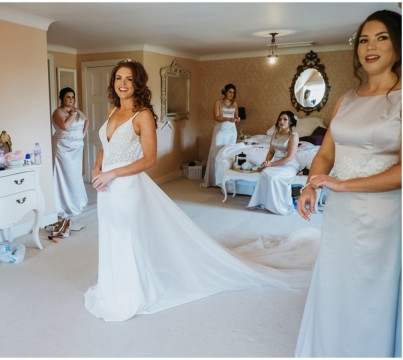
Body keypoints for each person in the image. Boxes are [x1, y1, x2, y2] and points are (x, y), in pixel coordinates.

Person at [84, 59, 317, 322]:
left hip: (125, 186)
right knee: (111, 234)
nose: (122, 84)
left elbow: (149, 159)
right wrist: (96, 168)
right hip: (105, 187)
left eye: (128, 79)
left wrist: (113, 173)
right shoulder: (111, 111)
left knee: (127, 237)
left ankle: (130, 293)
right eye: (118, 78)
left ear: (137, 83)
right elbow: (106, 145)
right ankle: (112, 285)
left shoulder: (143, 115)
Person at [294, 9, 402, 357]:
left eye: (381, 37)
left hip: (381, 213)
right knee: (337, 282)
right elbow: (325, 155)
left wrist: (345, 186)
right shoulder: (346, 98)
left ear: (398, 45)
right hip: (340, 210)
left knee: (371, 288)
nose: (370, 47)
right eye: (364, 40)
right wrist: (311, 185)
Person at [48, 87, 89, 237]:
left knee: (75, 176)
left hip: (76, 148)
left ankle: (74, 204)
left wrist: (81, 136)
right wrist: (72, 114)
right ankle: (63, 207)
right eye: (68, 97)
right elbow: (65, 126)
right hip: (62, 148)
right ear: (61, 99)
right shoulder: (58, 112)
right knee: (64, 176)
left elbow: (86, 120)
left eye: (73, 97)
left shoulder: (77, 110)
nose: (71, 100)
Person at [247, 111, 300, 215]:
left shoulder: (293, 136)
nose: (282, 121)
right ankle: (263, 202)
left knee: (274, 177)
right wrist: (266, 162)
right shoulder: (275, 134)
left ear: (290, 122)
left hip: (289, 165)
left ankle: (276, 206)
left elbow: (289, 157)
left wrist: (271, 165)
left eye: (285, 119)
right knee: (264, 173)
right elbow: (271, 151)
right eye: (280, 119)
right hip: (277, 163)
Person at [202, 84, 240, 188]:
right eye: (229, 92)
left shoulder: (235, 104)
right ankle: (214, 180)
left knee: (229, 154)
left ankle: (226, 180)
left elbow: (236, 116)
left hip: (232, 131)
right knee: (216, 152)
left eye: (233, 92)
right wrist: (228, 119)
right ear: (225, 92)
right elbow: (216, 117)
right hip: (221, 130)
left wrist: (237, 119)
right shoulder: (218, 102)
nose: (232, 94)